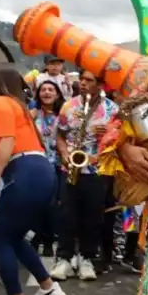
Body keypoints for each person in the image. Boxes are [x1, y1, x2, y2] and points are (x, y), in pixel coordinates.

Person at [0, 68, 67, 295]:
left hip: (25, 172)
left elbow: (7, 139)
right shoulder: (15, 105)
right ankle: (48, 288)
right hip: (38, 172)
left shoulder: (0, 102)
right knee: (13, 236)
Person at [50, 70, 118, 281]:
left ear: (101, 85)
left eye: (89, 80)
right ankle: (64, 259)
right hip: (71, 167)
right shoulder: (69, 106)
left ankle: (87, 258)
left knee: (94, 217)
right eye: (82, 79)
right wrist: (65, 154)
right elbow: (60, 135)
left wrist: (108, 133)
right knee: (66, 214)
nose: (84, 83)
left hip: (98, 170)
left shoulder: (112, 110)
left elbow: (121, 141)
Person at [29, 80, 65, 264]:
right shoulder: (33, 114)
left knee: (52, 205)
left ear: (58, 94)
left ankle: (50, 241)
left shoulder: (64, 114)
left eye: (51, 89)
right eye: (43, 90)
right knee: (35, 204)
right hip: (36, 165)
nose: (47, 92)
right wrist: (30, 117)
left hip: (57, 166)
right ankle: (34, 239)